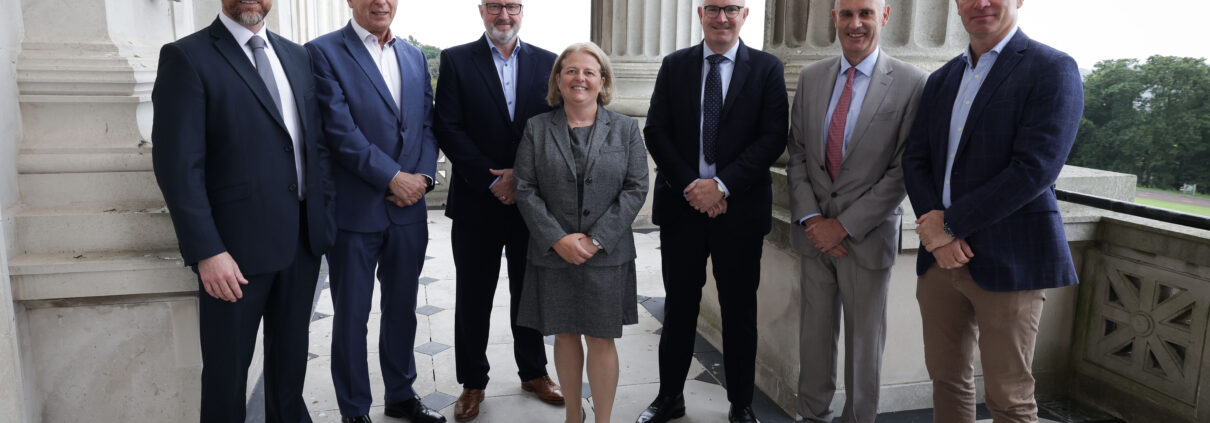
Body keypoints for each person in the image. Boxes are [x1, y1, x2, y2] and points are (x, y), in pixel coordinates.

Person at [151, 0, 336, 421]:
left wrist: (325, 216)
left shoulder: (297, 55)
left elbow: (314, 145)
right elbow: (178, 167)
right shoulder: (186, 57)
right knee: (226, 376)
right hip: (232, 256)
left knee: (289, 370)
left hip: (302, 244)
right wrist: (206, 251)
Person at [901, 0, 1083, 421]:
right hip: (939, 262)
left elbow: (1035, 169)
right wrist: (935, 229)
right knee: (946, 380)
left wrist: (949, 225)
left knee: (1009, 398)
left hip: (1011, 257)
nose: (980, 3)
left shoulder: (1051, 68)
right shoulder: (943, 78)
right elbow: (916, 159)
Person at [638, 0, 788, 421]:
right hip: (683, 209)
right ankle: (670, 397)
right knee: (679, 308)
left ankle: (740, 404)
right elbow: (656, 130)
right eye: (714, 8)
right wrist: (693, 186)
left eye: (732, 8)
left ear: (745, 15)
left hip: (738, 213)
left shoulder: (766, 68)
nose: (722, 17)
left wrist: (721, 186)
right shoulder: (674, 65)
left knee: (739, 312)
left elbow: (773, 136)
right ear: (700, 13)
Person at [785, 0, 927, 421]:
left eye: (865, 13)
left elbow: (904, 170)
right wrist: (812, 219)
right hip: (814, 239)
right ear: (835, 19)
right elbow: (797, 154)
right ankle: (812, 415)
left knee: (865, 347)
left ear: (884, 17)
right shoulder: (812, 78)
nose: (855, 23)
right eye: (846, 14)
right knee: (813, 340)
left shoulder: (912, 82)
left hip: (866, 238)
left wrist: (843, 226)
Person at [304, 0, 444, 421]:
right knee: (352, 315)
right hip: (355, 211)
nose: (380, 2)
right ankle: (353, 409)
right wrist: (392, 178)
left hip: (409, 211)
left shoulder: (414, 55)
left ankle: (400, 394)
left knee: (402, 308)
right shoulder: (323, 51)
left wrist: (422, 177)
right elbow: (338, 130)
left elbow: (425, 125)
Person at [433, 1, 564, 420]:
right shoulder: (456, 60)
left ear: (522, 10)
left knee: (528, 292)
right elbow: (447, 127)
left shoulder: (549, 62)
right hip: (476, 200)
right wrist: (492, 179)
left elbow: (556, 128)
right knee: (474, 296)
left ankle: (534, 372)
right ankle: (473, 383)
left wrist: (520, 178)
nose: (503, 14)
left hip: (532, 203)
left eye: (511, 6)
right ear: (481, 11)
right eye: (494, 6)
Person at [513, 41, 649, 423]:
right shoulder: (537, 128)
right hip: (552, 252)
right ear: (558, 78)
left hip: (606, 255)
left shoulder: (625, 129)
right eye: (571, 70)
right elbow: (525, 187)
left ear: (602, 80)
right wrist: (557, 238)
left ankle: (602, 419)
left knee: (601, 339)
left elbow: (636, 187)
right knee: (565, 335)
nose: (580, 78)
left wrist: (595, 239)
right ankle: (574, 415)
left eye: (589, 71)